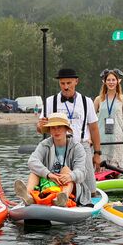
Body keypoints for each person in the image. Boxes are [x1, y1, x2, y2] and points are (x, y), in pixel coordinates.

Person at [38, 68, 100, 204]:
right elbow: (41, 130)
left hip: (81, 146)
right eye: (62, 83)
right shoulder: (50, 101)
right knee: (56, 178)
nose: (65, 87)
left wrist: (97, 153)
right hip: (57, 146)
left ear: (76, 81)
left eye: (69, 83)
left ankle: (87, 202)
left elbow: (94, 129)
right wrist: (40, 125)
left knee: (91, 187)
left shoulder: (86, 101)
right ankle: (54, 197)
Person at [14, 113, 87, 207]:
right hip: (48, 183)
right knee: (34, 172)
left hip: (69, 185)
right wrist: (49, 175)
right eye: (53, 128)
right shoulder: (44, 144)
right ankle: (28, 196)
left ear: (66, 129)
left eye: (59, 127)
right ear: (49, 130)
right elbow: (32, 161)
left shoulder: (77, 147)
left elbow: (82, 172)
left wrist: (70, 176)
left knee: (65, 169)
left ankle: (62, 197)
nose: (56, 131)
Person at [94, 68, 123, 173]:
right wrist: (90, 137)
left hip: (118, 135)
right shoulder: (98, 99)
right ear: (104, 81)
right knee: (101, 163)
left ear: (118, 81)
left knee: (117, 164)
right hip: (101, 135)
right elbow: (92, 121)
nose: (111, 82)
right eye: (109, 80)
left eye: (113, 80)